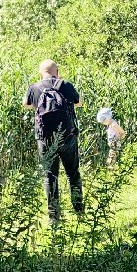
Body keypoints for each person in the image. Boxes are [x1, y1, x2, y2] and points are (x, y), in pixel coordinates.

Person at [23, 60, 83, 223]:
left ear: (40, 72)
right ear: (57, 71)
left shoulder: (34, 88)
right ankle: (79, 211)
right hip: (67, 136)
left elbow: (26, 105)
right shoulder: (65, 84)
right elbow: (79, 103)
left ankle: (53, 217)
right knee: (73, 174)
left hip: (45, 138)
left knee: (50, 176)